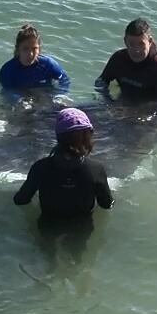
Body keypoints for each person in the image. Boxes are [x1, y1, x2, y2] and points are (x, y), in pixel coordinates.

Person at [14, 108, 114, 259]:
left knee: (49, 258)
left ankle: (51, 266)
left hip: (49, 223)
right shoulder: (96, 169)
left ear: (58, 136)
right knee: (76, 259)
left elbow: (21, 200)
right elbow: (106, 204)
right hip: (81, 225)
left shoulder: (40, 167)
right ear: (88, 136)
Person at [93, 17, 157, 103]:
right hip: (121, 103)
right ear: (125, 41)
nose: (136, 50)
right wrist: (108, 101)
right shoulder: (118, 59)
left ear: (150, 42)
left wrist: (138, 110)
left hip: (147, 108)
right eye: (131, 44)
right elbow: (101, 82)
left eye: (141, 44)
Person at [0, 23, 72, 98]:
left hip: (46, 96)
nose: (30, 54)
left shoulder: (48, 65)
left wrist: (59, 96)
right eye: (25, 48)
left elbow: (64, 80)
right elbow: (6, 92)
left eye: (34, 48)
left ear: (39, 49)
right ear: (18, 49)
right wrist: (21, 101)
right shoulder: (8, 71)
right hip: (22, 99)